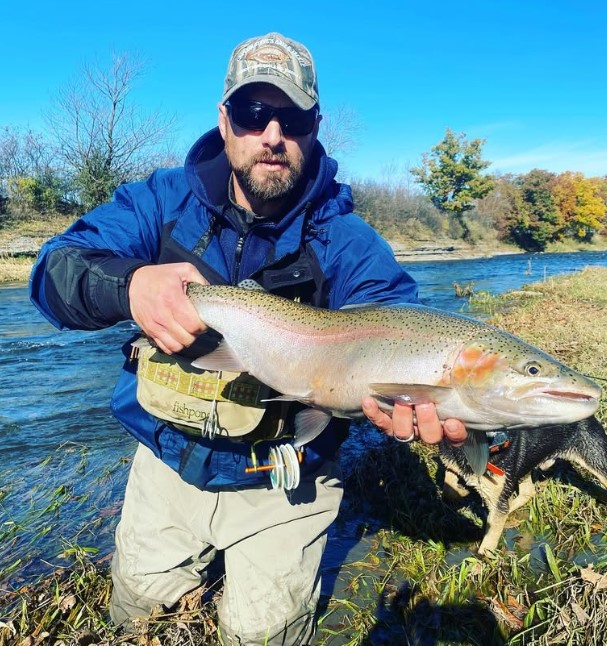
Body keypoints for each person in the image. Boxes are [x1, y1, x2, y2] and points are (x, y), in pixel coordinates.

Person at [29, 32, 467, 646]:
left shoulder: (347, 241)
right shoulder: (159, 202)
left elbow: (397, 317)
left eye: (292, 118)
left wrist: (421, 395)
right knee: (135, 621)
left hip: (287, 483)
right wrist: (129, 285)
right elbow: (53, 272)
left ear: (315, 127)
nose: (272, 134)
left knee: (260, 635)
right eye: (253, 112)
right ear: (224, 118)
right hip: (163, 465)